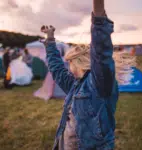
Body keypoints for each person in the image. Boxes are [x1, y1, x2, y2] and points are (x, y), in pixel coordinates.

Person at [41, 0, 118, 149]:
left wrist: (98, 12)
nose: (67, 67)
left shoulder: (99, 84)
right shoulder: (75, 85)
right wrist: (50, 40)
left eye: (69, 62)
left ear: (78, 61)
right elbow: (57, 70)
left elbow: (101, 52)